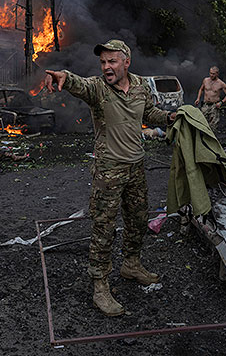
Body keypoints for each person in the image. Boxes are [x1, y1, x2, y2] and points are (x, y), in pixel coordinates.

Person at [45, 39, 176, 317]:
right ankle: (100, 286)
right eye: (103, 62)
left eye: (112, 61)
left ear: (126, 62)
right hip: (109, 171)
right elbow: (78, 83)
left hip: (136, 168)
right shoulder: (98, 89)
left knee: (138, 220)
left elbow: (149, 113)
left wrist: (170, 117)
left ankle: (131, 264)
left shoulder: (140, 85)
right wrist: (63, 77)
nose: (106, 67)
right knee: (104, 229)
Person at [194, 66, 226, 131]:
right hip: (205, 105)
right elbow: (201, 89)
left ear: (217, 74)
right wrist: (198, 98)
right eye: (210, 73)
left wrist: (221, 102)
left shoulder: (221, 83)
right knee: (202, 122)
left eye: (213, 74)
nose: (211, 75)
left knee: (213, 125)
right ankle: (203, 138)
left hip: (214, 106)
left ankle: (211, 138)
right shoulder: (205, 80)